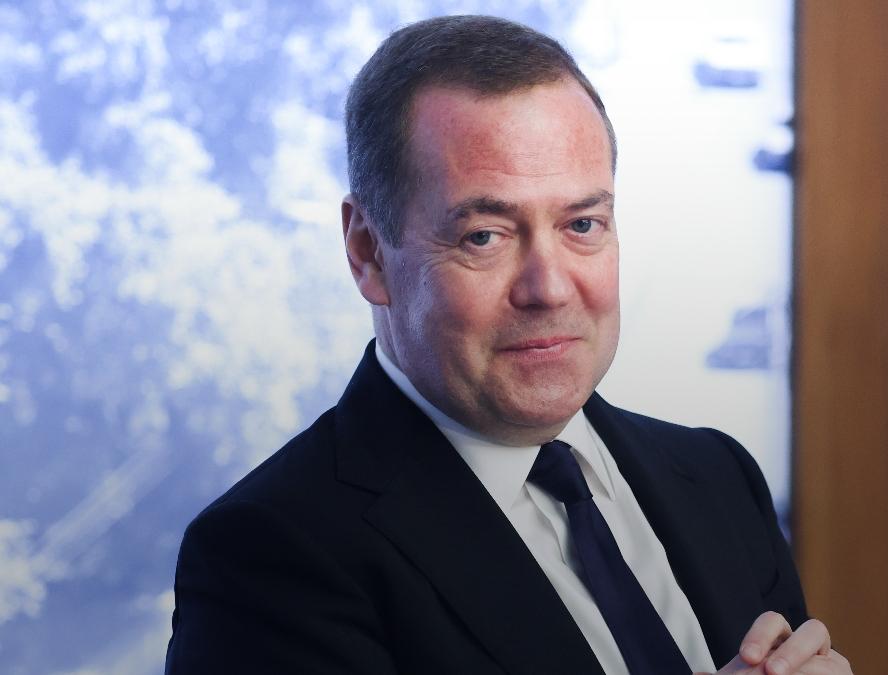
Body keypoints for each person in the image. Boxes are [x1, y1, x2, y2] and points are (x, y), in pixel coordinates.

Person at [165, 14, 852, 675]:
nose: (548, 288)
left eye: (582, 224)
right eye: (484, 236)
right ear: (368, 252)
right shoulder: (267, 554)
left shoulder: (719, 477)